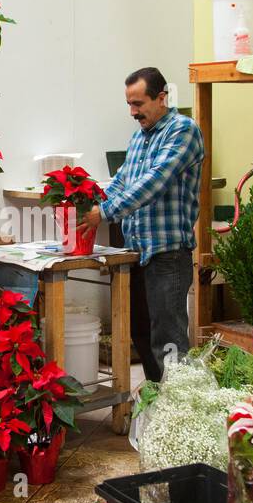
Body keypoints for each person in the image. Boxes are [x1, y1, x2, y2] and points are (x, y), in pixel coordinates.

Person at [78, 67, 203, 383]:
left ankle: (179, 412)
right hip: (136, 253)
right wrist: (84, 198)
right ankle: (156, 401)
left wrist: (104, 212)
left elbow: (154, 181)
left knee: (169, 340)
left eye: (139, 104)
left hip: (167, 255)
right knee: (142, 333)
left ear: (162, 98)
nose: (133, 112)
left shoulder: (183, 131)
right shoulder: (139, 138)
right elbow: (122, 181)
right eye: (129, 105)